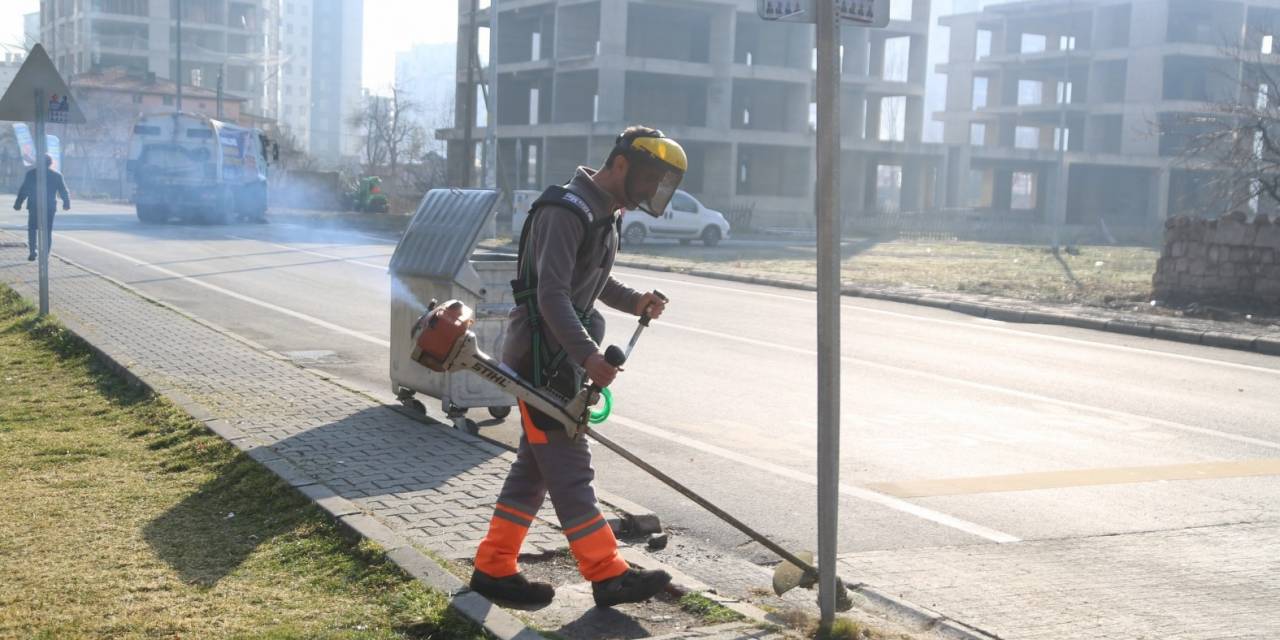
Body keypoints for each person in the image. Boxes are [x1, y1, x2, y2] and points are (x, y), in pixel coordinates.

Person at [470, 126, 685, 608]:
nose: (651, 192)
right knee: (570, 470)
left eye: (660, 185)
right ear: (621, 164)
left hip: (559, 358)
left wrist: (636, 302)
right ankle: (607, 573)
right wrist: (590, 354)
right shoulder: (567, 210)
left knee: (534, 470)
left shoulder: (602, 213)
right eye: (649, 179)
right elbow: (552, 294)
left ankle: (493, 566)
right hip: (541, 361)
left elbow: (594, 279)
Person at [14, 154, 70, 261]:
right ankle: (45, 255)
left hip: (34, 205)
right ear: (50, 163)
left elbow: (24, 189)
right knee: (47, 231)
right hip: (49, 207)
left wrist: (18, 203)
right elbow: (63, 190)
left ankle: (32, 251)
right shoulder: (56, 175)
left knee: (32, 228)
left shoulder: (31, 174)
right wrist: (66, 203)